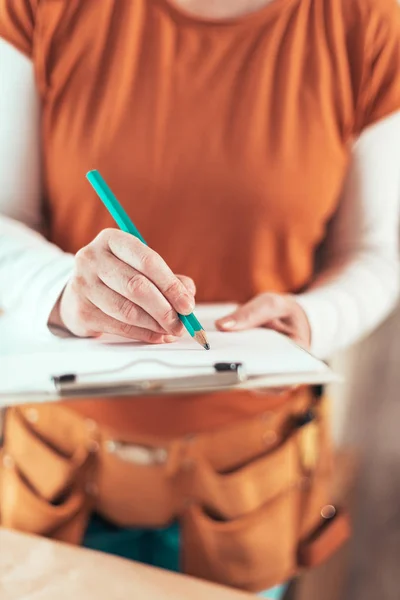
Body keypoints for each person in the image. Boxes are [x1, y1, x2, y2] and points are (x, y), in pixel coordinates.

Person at [0, 0, 400, 598]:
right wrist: (62, 291)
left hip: (250, 482)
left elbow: (376, 251)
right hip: (54, 468)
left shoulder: (369, 22)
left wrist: (312, 318)